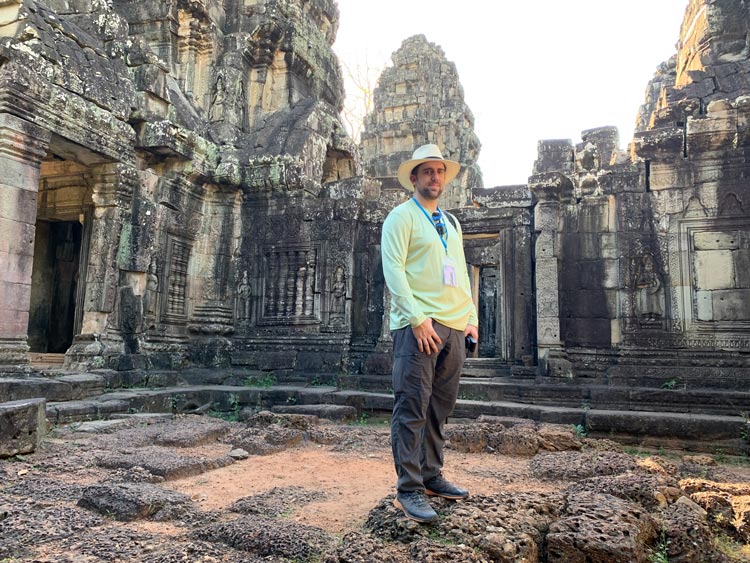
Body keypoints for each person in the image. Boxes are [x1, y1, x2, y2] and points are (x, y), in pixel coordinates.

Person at [381, 144, 479, 523]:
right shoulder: (401, 218)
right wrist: (417, 318)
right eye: (427, 172)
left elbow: (460, 269)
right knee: (411, 405)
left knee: (440, 407)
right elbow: (394, 271)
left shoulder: (451, 224)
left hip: (454, 327)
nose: (435, 178)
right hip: (418, 326)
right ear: (414, 178)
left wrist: (471, 317)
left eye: (439, 172)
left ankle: (432, 475)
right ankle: (408, 488)